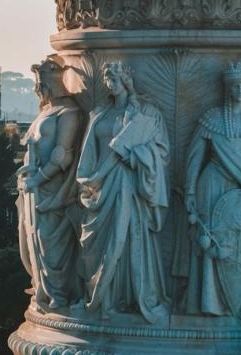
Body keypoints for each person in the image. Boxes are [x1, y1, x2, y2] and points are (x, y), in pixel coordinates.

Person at [175, 58, 241, 318]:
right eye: (235, 86)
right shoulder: (212, 119)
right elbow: (194, 158)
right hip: (212, 188)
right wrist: (189, 192)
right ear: (227, 88)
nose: (239, 91)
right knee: (212, 246)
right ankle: (211, 303)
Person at [74, 61, 170, 324]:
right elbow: (88, 155)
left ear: (126, 81)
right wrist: (87, 182)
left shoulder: (146, 115)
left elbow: (161, 152)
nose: (110, 84)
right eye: (107, 79)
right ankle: (103, 300)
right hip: (100, 189)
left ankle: (124, 299)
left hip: (129, 187)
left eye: (114, 79)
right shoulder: (99, 114)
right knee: (99, 247)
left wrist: (136, 156)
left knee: (127, 242)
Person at [17, 56, 83, 310]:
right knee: (32, 242)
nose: (37, 89)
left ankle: (59, 295)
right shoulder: (47, 111)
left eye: (41, 83)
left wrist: (38, 178)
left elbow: (62, 155)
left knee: (49, 244)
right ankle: (44, 290)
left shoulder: (69, 113)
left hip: (51, 191)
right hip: (33, 189)